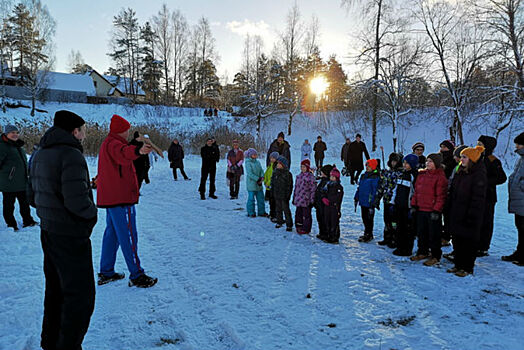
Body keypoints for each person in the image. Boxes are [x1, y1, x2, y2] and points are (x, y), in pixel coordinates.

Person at [28, 110, 97, 350]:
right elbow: (78, 203)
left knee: (56, 290)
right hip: (70, 235)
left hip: (48, 231)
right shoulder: (71, 155)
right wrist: (91, 216)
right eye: (83, 130)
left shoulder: (39, 153)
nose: (85, 135)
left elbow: (31, 197)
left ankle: (50, 343)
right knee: (80, 297)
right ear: (74, 131)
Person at [97, 114, 157, 288]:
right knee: (129, 234)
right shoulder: (115, 144)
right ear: (121, 130)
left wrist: (135, 147)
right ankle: (137, 274)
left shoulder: (110, 142)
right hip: (121, 198)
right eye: (126, 129)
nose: (128, 132)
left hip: (112, 198)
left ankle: (106, 271)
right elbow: (124, 154)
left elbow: (124, 151)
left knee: (112, 234)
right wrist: (138, 151)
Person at [447, 146, 487, 277]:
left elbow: (478, 198)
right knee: (457, 240)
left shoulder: (478, 174)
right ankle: (458, 264)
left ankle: (467, 267)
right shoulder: (460, 171)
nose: (461, 159)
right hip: (457, 210)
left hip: (470, 213)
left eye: (464, 157)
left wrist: (472, 215)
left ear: (471, 159)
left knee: (468, 242)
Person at [410, 153, 448, 266]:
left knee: (434, 234)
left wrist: (437, 210)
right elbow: (417, 192)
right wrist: (414, 205)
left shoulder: (440, 177)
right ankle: (422, 251)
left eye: (430, 161)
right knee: (421, 233)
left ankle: (436, 255)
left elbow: (441, 196)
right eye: (427, 161)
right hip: (421, 208)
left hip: (432, 211)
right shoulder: (421, 175)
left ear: (436, 163)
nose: (428, 163)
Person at [0, 124, 36, 230]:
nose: (15, 135)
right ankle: (11, 225)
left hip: (22, 181)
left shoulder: (17, 145)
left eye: (16, 133)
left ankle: (28, 221)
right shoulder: (2, 146)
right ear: (6, 134)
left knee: (25, 204)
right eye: (12, 133)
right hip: (9, 183)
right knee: (9, 206)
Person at [477, 135, 507, 257]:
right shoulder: (476, 157)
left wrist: (485, 181)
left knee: (486, 222)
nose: (478, 145)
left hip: (488, 196)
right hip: (476, 195)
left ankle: (483, 247)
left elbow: (502, 178)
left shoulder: (493, 160)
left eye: (480, 144)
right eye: (478, 143)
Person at [502, 132, 524, 266]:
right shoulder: (521, 158)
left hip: (522, 198)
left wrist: (521, 185)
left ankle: (522, 255)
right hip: (519, 199)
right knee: (520, 227)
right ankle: (520, 252)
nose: (516, 146)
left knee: (523, 228)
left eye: (519, 144)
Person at [391, 154, 419, 256]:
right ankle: (399, 246)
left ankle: (407, 249)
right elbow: (396, 189)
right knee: (399, 227)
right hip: (399, 205)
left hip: (408, 207)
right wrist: (393, 202)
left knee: (408, 230)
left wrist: (413, 207)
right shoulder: (402, 174)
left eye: (406, 163)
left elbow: (415, 192)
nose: (404, 165)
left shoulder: (414, 176)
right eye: (404, 162)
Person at [442, 145, 467, 248]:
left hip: (458, 199)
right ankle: (446, 237)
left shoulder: (464, 168)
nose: (454, 158)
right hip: (451, 196)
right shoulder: (457, 166)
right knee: (447, 218)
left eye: (456, 156)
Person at [377, 152, 403, 247]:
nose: (393, 163)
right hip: (387, 199)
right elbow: (383, 185)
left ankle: (394, 238)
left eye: (395, 161)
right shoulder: (387, 173)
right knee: (386, 219)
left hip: (395, 201)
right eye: (392, 161)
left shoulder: (400, 173)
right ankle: (387, 237)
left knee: (394, 221)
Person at [354, 159, 381, 243]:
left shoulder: (375, 177)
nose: (367, 167)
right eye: (366, 166)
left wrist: (374, 201)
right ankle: (366, 232)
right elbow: (360, 187)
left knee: (369, 219)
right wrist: (356, 196)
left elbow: (375, 190)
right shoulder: (363, 175)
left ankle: (369, 234)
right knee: (364, 218)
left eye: (369, 166)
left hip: (369, 202)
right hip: (363, 201)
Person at [320, 167, 344, 243]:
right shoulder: (327, 185)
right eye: (331, 176)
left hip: (334, 207)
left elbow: (338, 197)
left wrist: (330, 201)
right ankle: (328, 235)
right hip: (327, 206)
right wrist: (323, 198)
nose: (331, 178)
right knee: (327, 220)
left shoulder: (338, 187)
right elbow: (323, 192)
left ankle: (334, 236)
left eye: (333, 177)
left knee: (334, 221)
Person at [292, 159, 317, 234]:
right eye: (301, 167)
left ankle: (306, 228)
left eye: (304, 167)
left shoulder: (310, 177)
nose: (302, 168)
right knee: (298, 213)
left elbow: (313, 189)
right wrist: (294, 198)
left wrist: (312, 200)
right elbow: (296, 188)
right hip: (299, 199)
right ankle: (299, 225)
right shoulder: (299, 176)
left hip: (306, 200)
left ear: (307, 167)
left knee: (306, 215)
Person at [271, 156, 293, 231]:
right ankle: (279, 221)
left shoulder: (288, 174)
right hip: (277, 194)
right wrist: (272, 192)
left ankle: (289, 224)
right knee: (278, 209)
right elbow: (273, 183)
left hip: (284, 195)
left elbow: (289, 186)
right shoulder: (275, 172)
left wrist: (288, 195)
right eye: (277, 163)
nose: (277, 165)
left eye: (279, 164)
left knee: (286, 210)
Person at [244, 148, 267, 217]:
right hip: (251, 184)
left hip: (259, 184)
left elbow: (261, 170)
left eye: (256, 154)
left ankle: (261, 212)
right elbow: (249, 173)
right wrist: (257, 179)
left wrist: (262, 176)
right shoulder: (248, 163)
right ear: (250, 155)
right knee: (251, 199)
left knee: (261, 199)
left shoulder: (257, 162)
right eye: (254, 154)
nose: (255, 156)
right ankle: (251, 212)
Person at [315, 164, 333, 241]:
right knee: (319, 219)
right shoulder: (322, 180)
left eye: (322, 172)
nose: (321, 174)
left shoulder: (328, 182)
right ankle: (322, 232)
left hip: (324, 205)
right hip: (319, 204)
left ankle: (326, 233)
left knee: (324, 219)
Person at [264, 152, 279, 222]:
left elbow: (273, 176)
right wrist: (264, 180)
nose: (272, 159)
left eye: (273, 158)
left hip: (272, 186)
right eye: (271, 158)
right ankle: (271, 213)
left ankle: (275, 215)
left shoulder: (275, 166)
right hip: (268, 187)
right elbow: (267, 173)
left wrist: (268, 182)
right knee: (270, 201)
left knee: (274, 202)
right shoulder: (270, 165)